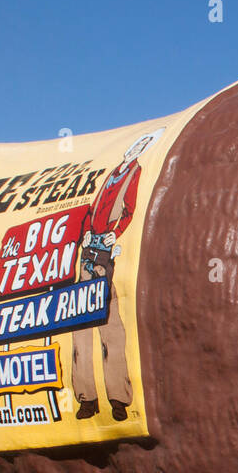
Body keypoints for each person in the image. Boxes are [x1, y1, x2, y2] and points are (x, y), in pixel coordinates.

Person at [71, 130, 162, 420]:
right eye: (138, 143)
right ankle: (86, 398)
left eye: (143, 144)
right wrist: (86, 231)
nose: (138, 147)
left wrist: (115, 233)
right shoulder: (111, 173)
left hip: (105, 255)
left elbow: (130, 209)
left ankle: (119, 399)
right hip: (87, 251)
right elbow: (91, 210)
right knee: (80, 327)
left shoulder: (134, 173)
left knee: (110, 326)